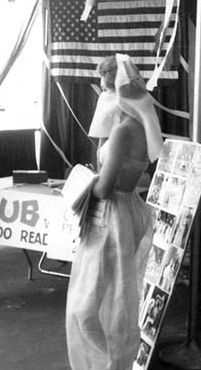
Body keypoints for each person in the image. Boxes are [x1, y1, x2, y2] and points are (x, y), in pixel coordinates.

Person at [66, 54, 163, 370]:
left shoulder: (123, 131)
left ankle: (107, 362)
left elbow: (105, 187)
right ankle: (114, 358)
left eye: (105, 92)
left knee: (93, 299)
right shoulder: (133, 126)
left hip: (112, 213)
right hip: (127, 209)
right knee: (114, 291)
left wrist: (81, 186)